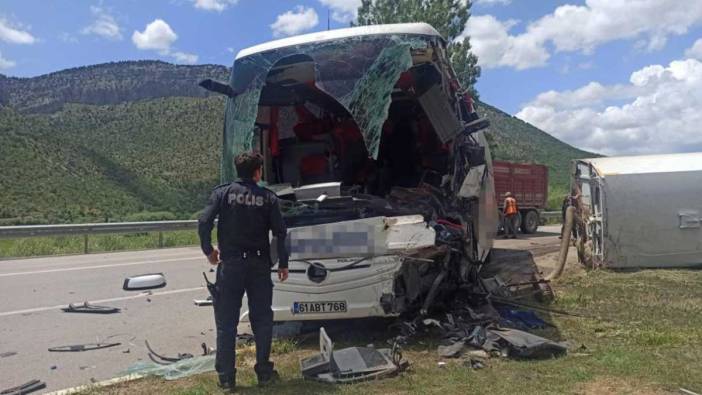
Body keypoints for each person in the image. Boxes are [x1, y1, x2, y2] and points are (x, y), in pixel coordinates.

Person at [198, 151, 289, 391]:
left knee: (227, 323)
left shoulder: (222, 193)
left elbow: (204, 221)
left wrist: (209, 251)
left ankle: (227, 379)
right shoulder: (268, 197)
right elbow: (280, 232)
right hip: (259, 265)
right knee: (262, 321)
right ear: (258, 172)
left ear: (237, 171)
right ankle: (264, 374)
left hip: (231, 265)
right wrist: (283, 263)